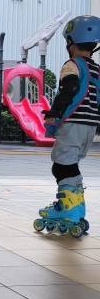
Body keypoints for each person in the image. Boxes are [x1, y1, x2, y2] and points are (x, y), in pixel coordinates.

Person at [36, 15, 100, 236]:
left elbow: (69, 87)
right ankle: (76, 207)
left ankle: (68, 209)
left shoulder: (72, 65)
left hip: (73, 124)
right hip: (89, 126)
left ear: (71, 42)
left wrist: (55, 112)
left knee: (61, 166)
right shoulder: (96, 69)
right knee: (70, 164)